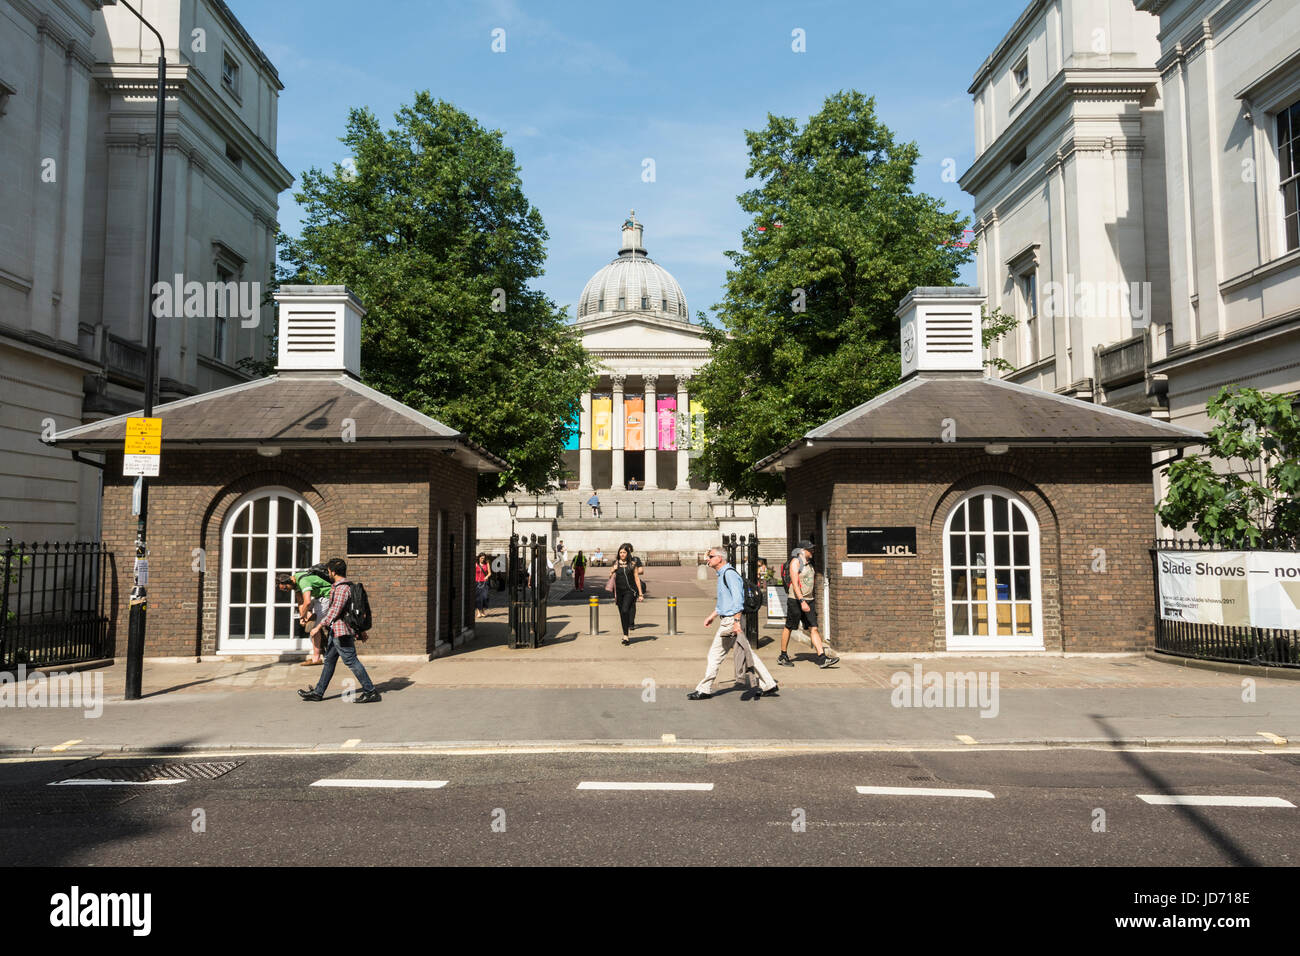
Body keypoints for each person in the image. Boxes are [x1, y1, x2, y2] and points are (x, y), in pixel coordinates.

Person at [688, 547, 779, 700]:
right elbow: (725, 602)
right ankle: (768, 683)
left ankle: (704, 689)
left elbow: (738, 601)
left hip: (731, 621)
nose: (707, 559)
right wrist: (712, 615)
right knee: (748, 653)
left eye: (710, 556)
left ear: (720, 558)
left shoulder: (729, 575)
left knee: (715, 655)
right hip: (729, 619)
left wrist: (736, 622)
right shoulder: (723, 574)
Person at [298, 558, 381, 703]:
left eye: (328, 571)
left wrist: (317, 627)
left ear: (333, 572)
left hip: (341, 632)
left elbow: (334, 612)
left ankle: (370, 691)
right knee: (329, 660)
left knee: (351, 661)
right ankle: (318, 692)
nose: (327, 573)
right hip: (335, 631)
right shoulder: (338, 586)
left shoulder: (342, 588)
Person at [777, 541, 839, 669]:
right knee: (789, 626)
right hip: (796, 600)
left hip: (809, 599)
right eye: (810, 549)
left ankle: (822, 658)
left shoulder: (810, 564)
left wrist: (809, 599)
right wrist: (802, 601)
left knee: (814, 628)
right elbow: (794, 584)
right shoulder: (796, 562)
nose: (812, 551)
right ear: (802, 550)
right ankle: (783, 655)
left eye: (812, 549)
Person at [276, 568, 328, 665]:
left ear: (289, 582)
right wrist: (303, 616)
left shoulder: (303, 581)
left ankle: (316, 659)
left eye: (286, 588)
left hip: (327, 597)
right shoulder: (295, 584)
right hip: (318, 598)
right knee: (306, 612)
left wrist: (302, 616)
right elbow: (300, 602)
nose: (286, 591)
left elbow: (307, 602)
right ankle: (310, 617)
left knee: (314, 629)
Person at [607, 541, 644, 645]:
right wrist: (612, 570)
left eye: (624, 552)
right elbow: (610, 577)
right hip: (619, 592)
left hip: (630, 591)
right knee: (622, 614)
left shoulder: (632, 564)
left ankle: (628, 628)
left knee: (625, 610)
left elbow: (637, 579)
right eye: (620, 552)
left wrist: (640, 594)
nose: (622, 554)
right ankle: (625, 636)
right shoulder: (616, 563)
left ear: (628, 553)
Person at [474, 552, 492, 619]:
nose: (482, 559)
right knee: (478, 598)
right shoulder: (476, 564)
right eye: (481, 558)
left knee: (485, 597)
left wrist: (487, 576)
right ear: (479, 558)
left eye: (484, 558)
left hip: (484, 582)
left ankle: (483, 611)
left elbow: (490, 573)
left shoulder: (487, 564)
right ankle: (479, 612)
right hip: (477, 583)